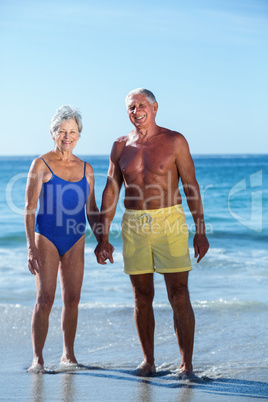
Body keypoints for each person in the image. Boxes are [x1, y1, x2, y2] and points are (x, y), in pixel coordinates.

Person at [95, 88, 209, 379]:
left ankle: (187, 366)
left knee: (179, 294)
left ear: (154, 107)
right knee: (141, 295)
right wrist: (102, 236)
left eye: (141, 105)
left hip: (169, 221)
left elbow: (191, 186)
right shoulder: (120, 146)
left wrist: (200, 231)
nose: (136, 111)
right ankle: (148, 362)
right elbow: (111, 189)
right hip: (133, 223)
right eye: (131, 107)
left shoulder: (174, 141)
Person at [25, 105, 100, 373]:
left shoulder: (86, 168)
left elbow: (91, 209)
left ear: (79, 135)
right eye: (62, 131)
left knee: (73, 299)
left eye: (73, 132)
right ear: (53, 133)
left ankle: (68, 355)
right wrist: (31, 247)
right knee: (45, 299)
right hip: (46, 236)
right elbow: (30, 208)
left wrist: (101, 240)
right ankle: (38, 359)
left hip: (76, 237)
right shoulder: (41, 164)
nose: (67, 136)